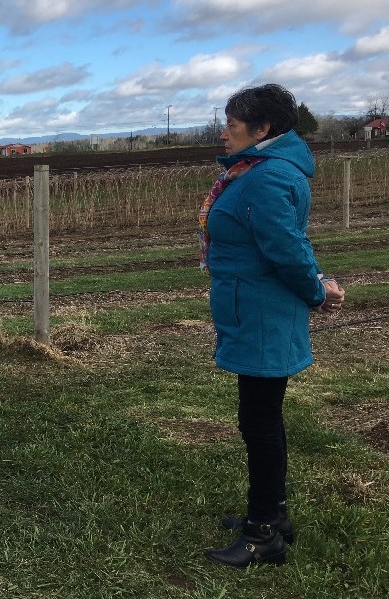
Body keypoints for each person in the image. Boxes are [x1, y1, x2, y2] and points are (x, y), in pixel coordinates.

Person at [199, 84, 345, 568]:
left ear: (263, 130)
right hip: (257, 309)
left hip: (262, 312)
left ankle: (264, 534)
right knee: (263, 418)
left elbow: (286, 248)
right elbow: (288, 243)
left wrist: (317, 290)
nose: (224, 134)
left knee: (258, 422)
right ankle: (273, 514)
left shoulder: (263, 179)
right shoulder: (261, 171)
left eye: (232, 126)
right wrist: (317, 284)